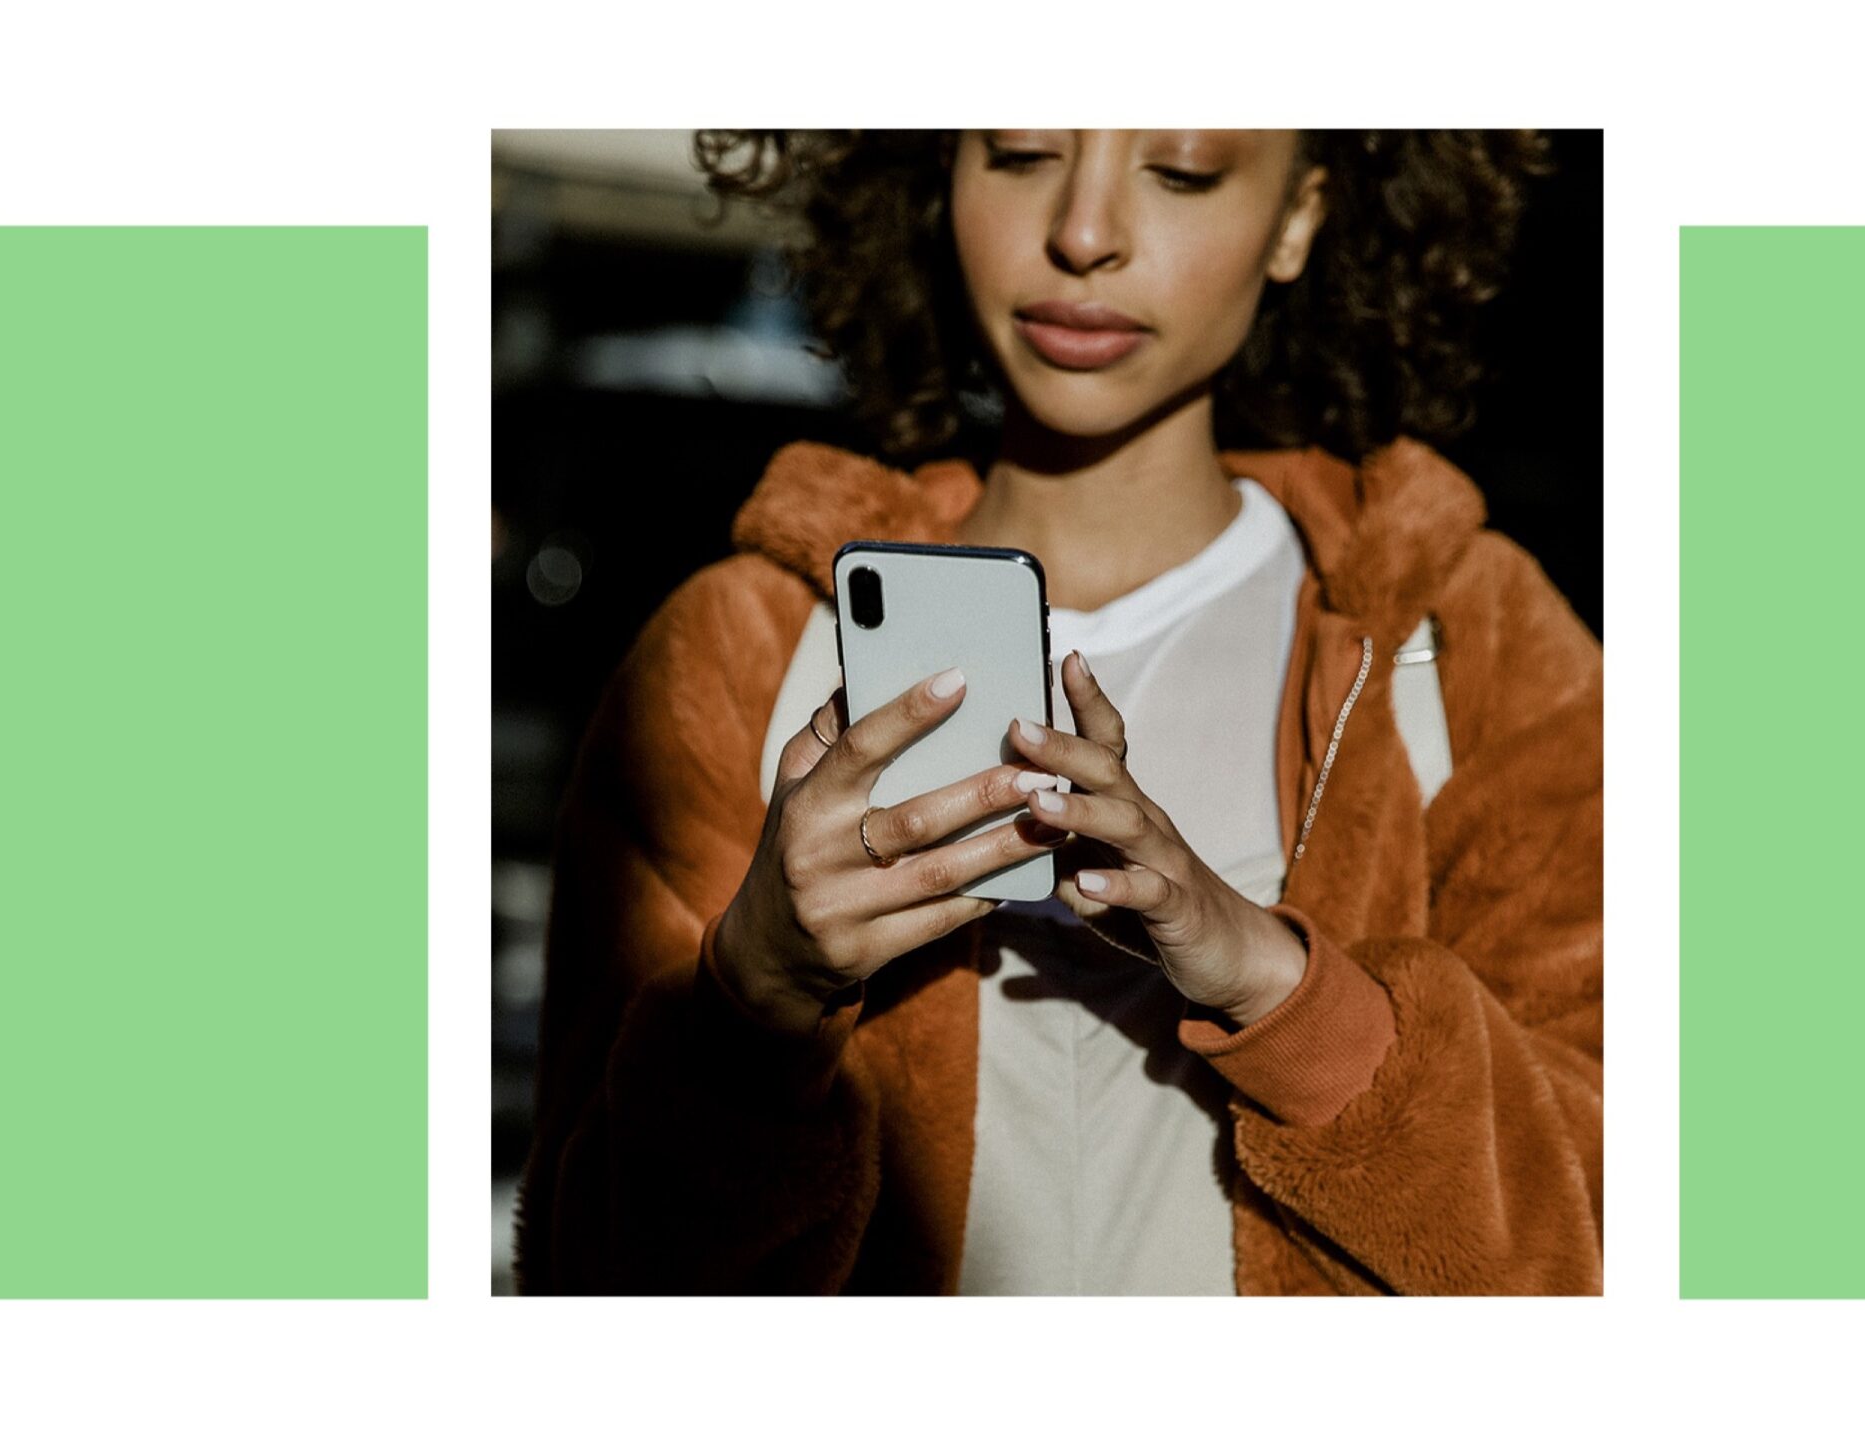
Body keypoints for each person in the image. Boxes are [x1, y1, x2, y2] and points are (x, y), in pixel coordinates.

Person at [515, 129, 1602, 1295]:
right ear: (936, 174)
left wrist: (1272, 983)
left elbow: (1604, 1238)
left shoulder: (1466, 643)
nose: (1083, 235)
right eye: (1023, 154)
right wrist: (756, 1002)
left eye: (1180, 172)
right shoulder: (742, 652)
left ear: (1299, 217)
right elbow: (594, 1291)